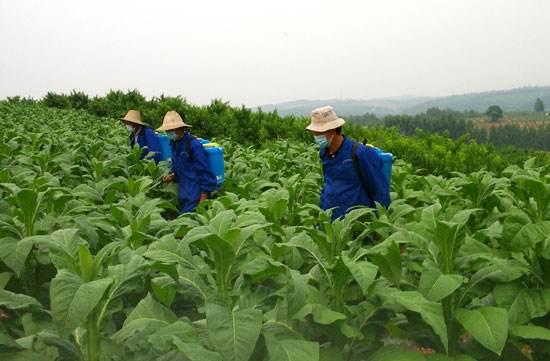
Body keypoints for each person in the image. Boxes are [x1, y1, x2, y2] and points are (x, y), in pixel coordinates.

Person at [306, 106, 390, 220]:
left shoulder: (360, 153)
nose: (316, 137)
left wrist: (381, 225)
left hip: (357, 224)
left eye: (318, 133)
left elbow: (380, 190)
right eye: (314, 133)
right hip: (331, 220)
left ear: (332, 130)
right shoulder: (324, 152)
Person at [157, 111, 217, 213]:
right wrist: (171, 177)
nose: (168, 133)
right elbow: (181, 168)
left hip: (195, 195)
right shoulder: (174, 144)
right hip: (184, 193)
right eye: (167, 130)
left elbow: (205, 172)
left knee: (184, 225)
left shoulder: (193, 144)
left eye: (170, 130)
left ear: (180, 128)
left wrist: (203, 198)